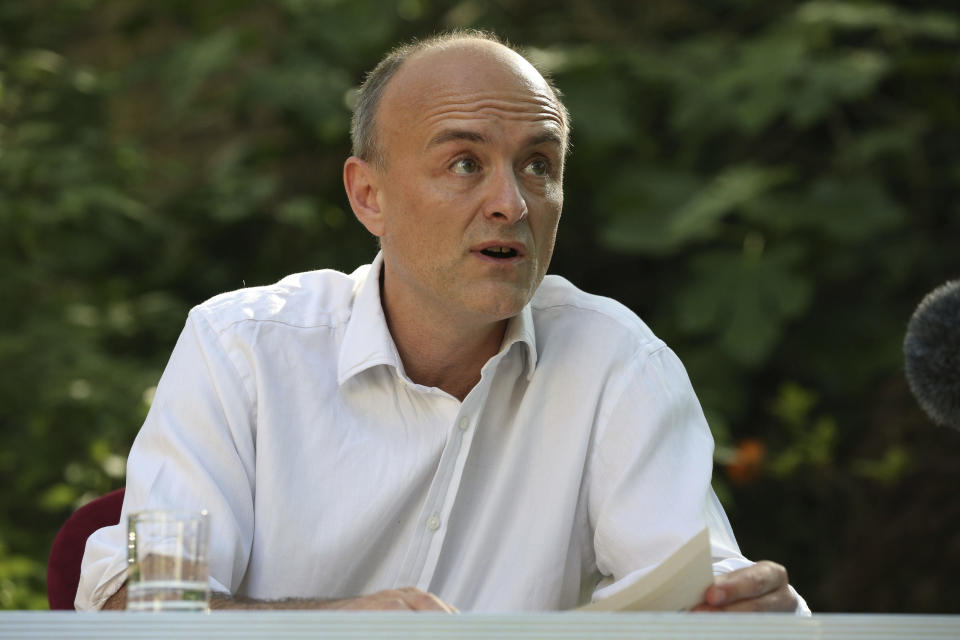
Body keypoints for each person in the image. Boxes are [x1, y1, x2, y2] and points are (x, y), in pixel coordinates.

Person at [77, 30, 808, 614]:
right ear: (369, 195)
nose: (512, 205)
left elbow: (694, 577)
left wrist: (742, 610)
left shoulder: (616, 359)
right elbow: (142, 605)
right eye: (464, 163)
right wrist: (334, 627)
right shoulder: (240, 348)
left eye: (538, 165)